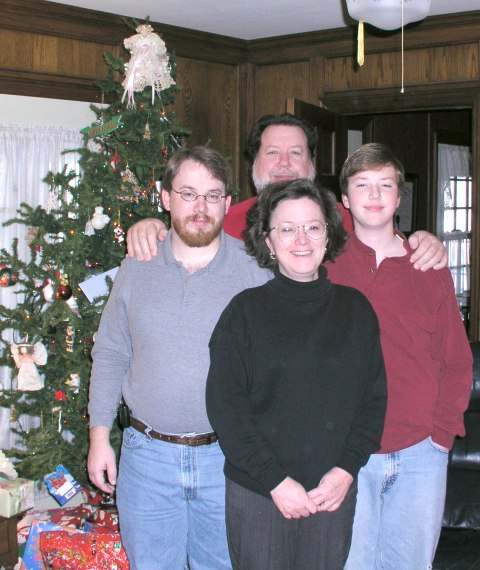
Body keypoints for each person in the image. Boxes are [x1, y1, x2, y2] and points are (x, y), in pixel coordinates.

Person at [87, 146, 271, 570]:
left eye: (212, 195)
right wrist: (99, 439)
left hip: (228, 461)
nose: (200, 207)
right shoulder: (137, 265)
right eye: (187, 193)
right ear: (166, 198)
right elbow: (112, 352)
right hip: (146, 458)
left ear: (227, 203)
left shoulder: (255, 271)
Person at [206, 179, 388, 570]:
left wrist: (345, 472)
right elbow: (226, 408)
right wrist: (275, 481)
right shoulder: (244, 313)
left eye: (312, 226)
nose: (300, 238)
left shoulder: (356, 310)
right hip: (258, 491)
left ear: (328, 235)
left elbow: (373, 403)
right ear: (268, 243)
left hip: (331, 492)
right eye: (286, 228)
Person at [324, 143, 473, 569]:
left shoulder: (430, 266)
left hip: (419, 452)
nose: (374, 195)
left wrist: (440, 437)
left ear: (399, 196)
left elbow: (457, 360)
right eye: (362, 185)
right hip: (346, 454)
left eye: (385, 185)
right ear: (346, 200)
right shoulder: (324, 264)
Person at [126, 113, 447, 272]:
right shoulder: (224, 219)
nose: (284, 163)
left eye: (295, 152)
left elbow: (388, 246)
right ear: (255, 163)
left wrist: (423, 241)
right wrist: (153, 227)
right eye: (272, 152)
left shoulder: (347, 219)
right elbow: (185, 245)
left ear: (311, 163)